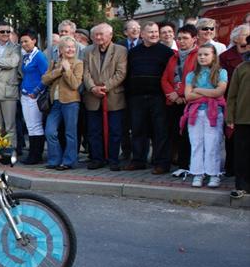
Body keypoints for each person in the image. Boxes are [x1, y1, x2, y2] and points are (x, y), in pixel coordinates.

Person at [124, 22, 175, 174]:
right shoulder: (133, 52)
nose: (154, 35)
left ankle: (161, 163)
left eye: (156, 32)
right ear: (142, 35)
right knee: (138, 130)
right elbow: (129, 73)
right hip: (137, 97)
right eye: (150, 32)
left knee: (160, 131)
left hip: (158, 97)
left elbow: (171, 74)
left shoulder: (166, 52)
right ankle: (138, 160)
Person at [82, 23, 128, 171]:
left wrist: (105, 87)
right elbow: (85, 72)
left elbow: (121, 73)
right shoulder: (88, 51)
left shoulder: (120, 51)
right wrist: (92, 87)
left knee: (115, 130)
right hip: (93, 97)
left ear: (110, 35)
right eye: (95, 35)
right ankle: (97, 159)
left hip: (113, 96)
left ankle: (113, 159)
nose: (98, 37)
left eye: (101, 34)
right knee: (94, 131)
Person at [183, 45, 227, 187]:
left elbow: (219, 92)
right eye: (200, 54)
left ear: (213, 56)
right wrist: (208, 92)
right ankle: (197, 173)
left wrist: (198, 90)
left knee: (213, 144)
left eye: (206, 54)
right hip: (195, 114)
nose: (202, 57)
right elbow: (188, 96)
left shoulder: (221, 72)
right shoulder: (191, 75)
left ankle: (213, 174)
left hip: (213, 113)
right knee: (196, 144)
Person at [41, 36, 84, 170]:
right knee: (50, 131)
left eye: (73, 47)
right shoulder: (54, 63)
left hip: (71, 102)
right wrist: (59, 70)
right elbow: (44, 79)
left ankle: (69, 161)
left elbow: (75, 84)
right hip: (56, 103)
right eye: (67, 47)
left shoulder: (78, 63)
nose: (71, 49)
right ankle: (54, 159)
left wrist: (67, 70)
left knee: (70, 133)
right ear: (60, 50)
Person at [161, 24, 199, 175]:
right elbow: (164, 79)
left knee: (188, 135)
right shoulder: (173, 57)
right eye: (179, 38)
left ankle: (187, 163)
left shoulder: (199, 56)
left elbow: (196, 77)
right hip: (173, 102)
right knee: (174, 133)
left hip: (190, 102)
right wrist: (172, 94)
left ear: (194, 39)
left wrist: (182, 94)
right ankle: (176, 162)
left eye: (185, 38)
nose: (181, 41)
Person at [18, 30, 49, 165]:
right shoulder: (27, 56)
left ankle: (36, 154)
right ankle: (33, 153)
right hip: (25, 94)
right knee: (30, 125)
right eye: (22, 42)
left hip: (33, 95)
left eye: (26, 41)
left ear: (34, 41)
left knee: (35, 125)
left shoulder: (39, 56)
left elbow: (46, 76)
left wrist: (37, 91)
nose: (24, 44)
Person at [226, 40, 250, 198]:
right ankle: (242, 186)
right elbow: (232, 95)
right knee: (242, 154)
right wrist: (230, 116)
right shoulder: (241, 68)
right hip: (243, 118)